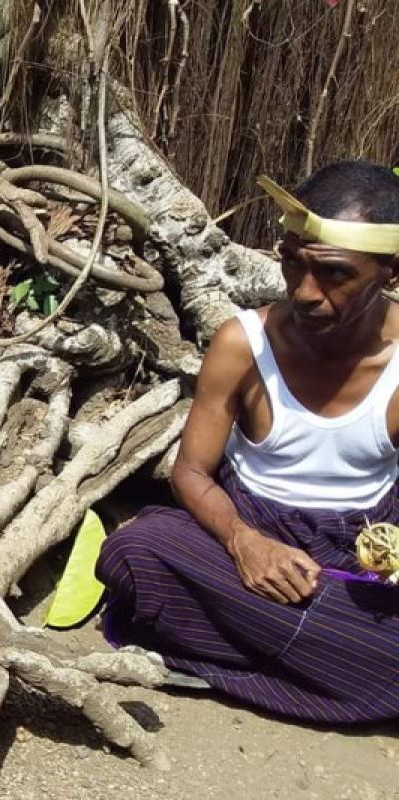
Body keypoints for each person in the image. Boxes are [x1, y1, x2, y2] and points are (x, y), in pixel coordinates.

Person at [98, 160, 399, 724]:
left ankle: (244, 655)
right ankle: (342, 668)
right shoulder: (243, 343)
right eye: (292, 263)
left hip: (359, 544)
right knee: (135, 551)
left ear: (392, 272)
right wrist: (243, 542)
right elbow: (190, 473)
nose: (306, 292)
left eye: (333, 274)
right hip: (251, 525)